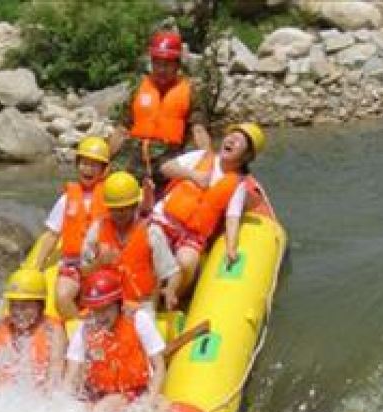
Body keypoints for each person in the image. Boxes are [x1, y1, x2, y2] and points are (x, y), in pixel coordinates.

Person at [153, 122, 266, 295]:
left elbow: (232, 217)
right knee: (150, 248)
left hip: (192, 235)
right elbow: (166, 168)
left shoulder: (238, 183)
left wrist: (231, 247)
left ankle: (173, 298)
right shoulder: (201, 156)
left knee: (186, 262)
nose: (231, 141)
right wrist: (194, 175)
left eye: (239, 141)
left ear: (246, 156)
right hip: (165, 219)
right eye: (231, 136)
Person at [108, 30, 210, 190]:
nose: (162, 69)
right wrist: (105, 158)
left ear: (177, 64)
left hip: (167, 155)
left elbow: (199, 131)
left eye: (168, 64)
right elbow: (122, 129)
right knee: (112, 179)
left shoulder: (190, 91)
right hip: (134, 153)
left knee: (168, 168)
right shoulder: (139, 87)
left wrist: (210, 161)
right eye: (158, 63)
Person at [64, 269, 166, 412]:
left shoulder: (138, 319)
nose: (100, 316)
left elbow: (159, 366)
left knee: (106, 408)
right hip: (98, 393)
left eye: (106, 309)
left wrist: (149, 401)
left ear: (118, 304)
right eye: (96, 310)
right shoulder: (86, 327)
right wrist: (64, 402)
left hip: (134, 392)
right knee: (90, 408)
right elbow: (71, 373)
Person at [33, 136, 111, 320]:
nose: (88, 169)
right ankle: (79, 325)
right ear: (77, 165)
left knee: (107, 298)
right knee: (62, 296)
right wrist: (37, 267)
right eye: (84, 163)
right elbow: (52, 235)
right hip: (73, 264)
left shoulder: (110, 196)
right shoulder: (66, 199)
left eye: (94, 165)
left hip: (102, 264)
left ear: (104, 170)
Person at [80, 171, 181, 313]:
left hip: (140, 304)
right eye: (115, 209)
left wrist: (170, 291)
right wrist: (99, 263)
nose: (120, 213)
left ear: (135, 205)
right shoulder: (97, 229)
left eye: (125, 208)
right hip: (105, 304)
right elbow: (83, 271)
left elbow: (173, 272)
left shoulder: (152, 231)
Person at [0, 268, 66, 388]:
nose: (18, 312)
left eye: (24, 307)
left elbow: (56, 368)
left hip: (36, 393)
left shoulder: (54, 331)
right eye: (13, 306)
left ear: (40, 306)